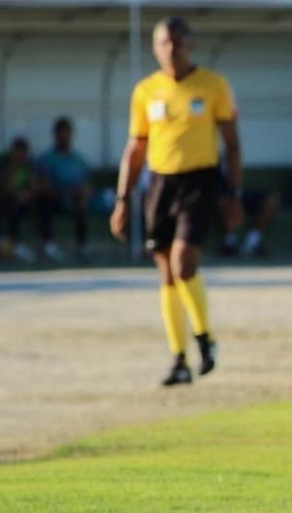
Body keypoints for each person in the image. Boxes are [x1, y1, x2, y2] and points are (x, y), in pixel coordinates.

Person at [109, 16, 243, 387]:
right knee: (166, 272)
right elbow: (135, 147)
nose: (172, 49)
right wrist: (123, 198)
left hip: (201, 181)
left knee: (184, 263)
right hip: (160, 184)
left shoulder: (213, 85)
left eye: (179, 42)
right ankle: (179, 358)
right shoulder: (146, 90)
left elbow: (232, 144)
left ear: (191, 46)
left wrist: (233, 193)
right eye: (165, 43)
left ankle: (205, 337)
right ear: (155, 47)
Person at [0, 137, 49, 263]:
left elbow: (41, 184)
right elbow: (6, 187)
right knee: (10, 203)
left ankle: (47, 243)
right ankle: (11, 244)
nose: (20, 157)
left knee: (43, 202)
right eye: (17, 153)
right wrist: (13, 167)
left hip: (20, 199)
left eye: (23, 154)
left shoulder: (30, 164)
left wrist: (29, 192)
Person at [38, 116, 93, 263]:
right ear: (55, 135)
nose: (63, 137)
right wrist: (66, 192)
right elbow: (44, 185)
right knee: (44, 201)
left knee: (81, 204)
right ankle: (49, 244)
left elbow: (87, 183)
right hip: (56, 198)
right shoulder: (47, 159)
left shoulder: (78, 160)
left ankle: (83, 246)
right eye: (60, 133)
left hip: (75, 200)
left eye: (66, 133)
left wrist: (83, 192)